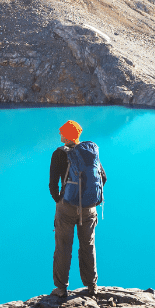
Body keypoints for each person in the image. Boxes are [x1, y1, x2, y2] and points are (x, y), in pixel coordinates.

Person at [49, 120, 106, 297]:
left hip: (67, 207)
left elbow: (52, 184)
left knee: (63, 246)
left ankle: (61, 288)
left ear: (67, 135)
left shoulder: (59, 154)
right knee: (88, 245)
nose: (60, 135)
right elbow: (103, 178)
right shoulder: (89, 153)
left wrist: (60, 200)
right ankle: (91, 286)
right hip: (89, 208)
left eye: (62, 132)